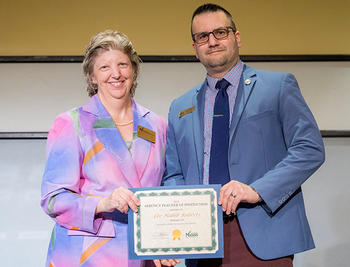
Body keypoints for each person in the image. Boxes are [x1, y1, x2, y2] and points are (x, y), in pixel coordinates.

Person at [160, 3, 325, 267]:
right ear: (194, 48)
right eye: (202, 36)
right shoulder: (180, 107)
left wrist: (256, 190)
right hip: (200, 240)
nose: (212, 41)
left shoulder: (278, 86)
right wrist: (173, 227)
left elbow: (309, 149)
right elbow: (174, 174)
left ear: (237, 37)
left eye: (220, 32)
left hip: (262, 233)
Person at [41, 29, 167, 267]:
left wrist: (166, 240)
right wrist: (103, 203)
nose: (116, 74)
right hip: (87, 255)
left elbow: (165, 190)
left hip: (144, 254)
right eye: (105, 67)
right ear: (92, 77)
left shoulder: (157, 125)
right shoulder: (72, 124)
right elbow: (53, 200)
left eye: (123, 64)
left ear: (134, 70)